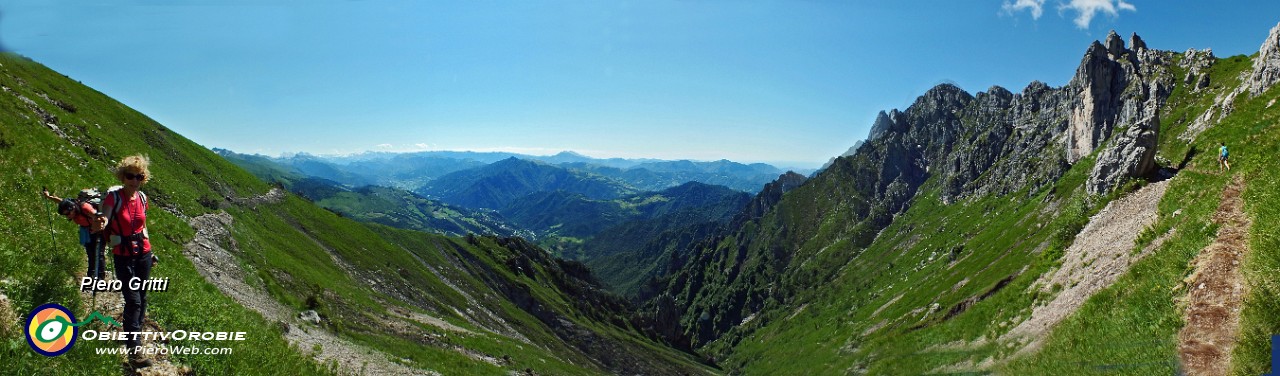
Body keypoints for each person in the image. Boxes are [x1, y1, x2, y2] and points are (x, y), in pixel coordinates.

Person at [93, 155, 154, 368]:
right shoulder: (114, 198)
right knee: (134, 300)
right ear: (122, 176)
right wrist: (102, 221)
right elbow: (106, 216)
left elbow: (142, 227)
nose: (135, 180)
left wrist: (151, 252)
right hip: (123, 255)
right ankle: (134, 349)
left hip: (143, 254)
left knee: (142, 298)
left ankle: (135, 328)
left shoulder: (143, 198)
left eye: (139, 176)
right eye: (130, 176)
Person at [41, 188, 107, 281]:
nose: (67, 216)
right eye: (65, 215)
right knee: (90, 253)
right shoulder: (70, 206)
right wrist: (48, 196)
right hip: (87, 231)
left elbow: (98, 216)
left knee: (98, 254)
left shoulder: (85, 208)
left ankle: (100, 278)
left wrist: (100, 225)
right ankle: (91, 275)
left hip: (98, 231)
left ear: (72, 208)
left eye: (68, 213)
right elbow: (59, 201)